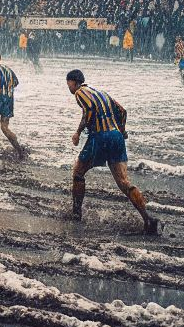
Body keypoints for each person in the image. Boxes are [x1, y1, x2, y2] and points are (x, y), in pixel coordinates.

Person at [65, 69, 160, 234]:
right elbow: (122, 111)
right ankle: (148, 220)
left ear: (74, 82)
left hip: (100, 137)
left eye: (68, 84)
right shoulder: (101, 93)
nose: (69, 87)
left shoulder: (80, 92)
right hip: (116, 136)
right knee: (124, 182)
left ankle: (76, 213)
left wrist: (78, 133)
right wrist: (122, 131)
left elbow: (89, 110)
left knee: (78, 173)